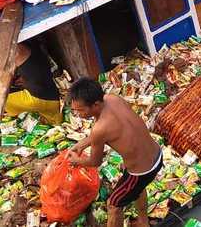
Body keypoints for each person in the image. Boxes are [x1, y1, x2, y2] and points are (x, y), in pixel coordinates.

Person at [67, 78, 162, 227]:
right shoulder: (113, 98)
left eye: (80, 110)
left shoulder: (99, 129)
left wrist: (76, 161)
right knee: (137, 188)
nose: (78, 114)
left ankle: (143, 221)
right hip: (157, 154)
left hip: (142, 172)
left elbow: (95, 162)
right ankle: (143, 222)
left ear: (95, 104)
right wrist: (82, 144)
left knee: (113, 205)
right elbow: (115, 128)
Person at [4, 43, 62, 125]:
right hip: (49, 98)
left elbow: (16, 51)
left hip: (44, 101)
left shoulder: (19, 51)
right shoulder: (31, 47)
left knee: (2, 99)